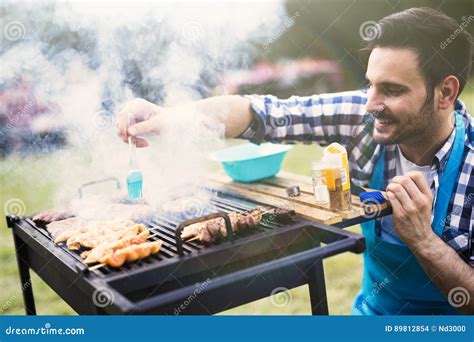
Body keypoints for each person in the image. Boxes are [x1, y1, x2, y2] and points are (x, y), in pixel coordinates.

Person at [116, 7, 473, 315]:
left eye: (392, 90)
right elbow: (263, 114)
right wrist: (172, 117)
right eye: (370, 85)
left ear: (445, 92)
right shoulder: (364, 117)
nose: (370, 103)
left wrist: (424, 241)